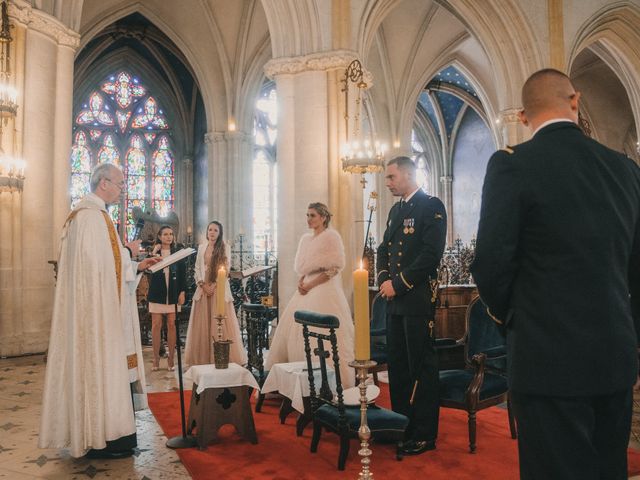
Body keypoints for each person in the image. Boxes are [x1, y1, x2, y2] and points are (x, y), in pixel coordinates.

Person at [471, 68, 640, 480]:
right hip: (614, 357)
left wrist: (514, 318)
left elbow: (491, 264)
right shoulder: (626, 169)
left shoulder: (513, 165)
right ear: (575, 101)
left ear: (524, 117)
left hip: (547, 359)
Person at [39, 163, 160, 459]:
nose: (122, 189)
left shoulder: (94, 216)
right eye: (119, 183)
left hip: (101, 311)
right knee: (101, 367)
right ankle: (102, 436)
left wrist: (134, 264)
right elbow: (99, 268)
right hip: (98, 318)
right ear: (103, 183)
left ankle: (108, 433)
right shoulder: (90, 218)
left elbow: (108, 267)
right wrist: (129, 252)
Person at [376, 156, 447, 456]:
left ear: (408, 173)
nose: (388, 182)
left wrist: (399, 283)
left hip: (416, 301)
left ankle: (424, 434)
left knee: (421, 367)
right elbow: (383, 249)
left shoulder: (431, 206)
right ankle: (402, 424)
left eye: (391, 177)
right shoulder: (396, 210)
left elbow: (431, 255)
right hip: (394, 301)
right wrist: (382, 279)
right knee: (399, 367)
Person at [266, 202, 356, 388]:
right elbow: (304, 266)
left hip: (324, 289)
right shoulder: (306, 239)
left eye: (312, 215)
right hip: (305, 287)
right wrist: (301, 281)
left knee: (324, 335)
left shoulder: (331, 236)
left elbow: (334, 268)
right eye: (307, 215)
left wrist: (310, 284)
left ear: (323, 217)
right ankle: (296, 383)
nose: (308, 219)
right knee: (294, 330)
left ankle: (329, 383)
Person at [184, 221, 247, 366]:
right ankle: (203, 357)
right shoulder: (201, 248)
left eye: (215, 231)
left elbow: (226, 268)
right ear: (207, 232)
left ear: (220, 234)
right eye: (210, 230)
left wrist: (213, 286)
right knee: (202, 324)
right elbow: (197, 268)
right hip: (203, 288)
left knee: (220, 322)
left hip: (218, 288)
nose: (212, 233)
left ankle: (221, 357)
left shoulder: (225, 248)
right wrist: (202, 284)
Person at [147, 225, 186, 371]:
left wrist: (182, 291)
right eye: (165, 234)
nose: (169, 236)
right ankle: (156, 359)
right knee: (156, 325)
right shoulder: (154, 253)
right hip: (157, 292)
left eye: (171, 234)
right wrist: (153, 253)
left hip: (173, 292)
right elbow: (147, 270)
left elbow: (183, 273)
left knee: (171, 325)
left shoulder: (178, 252)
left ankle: (171, 360)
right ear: (159, 236)